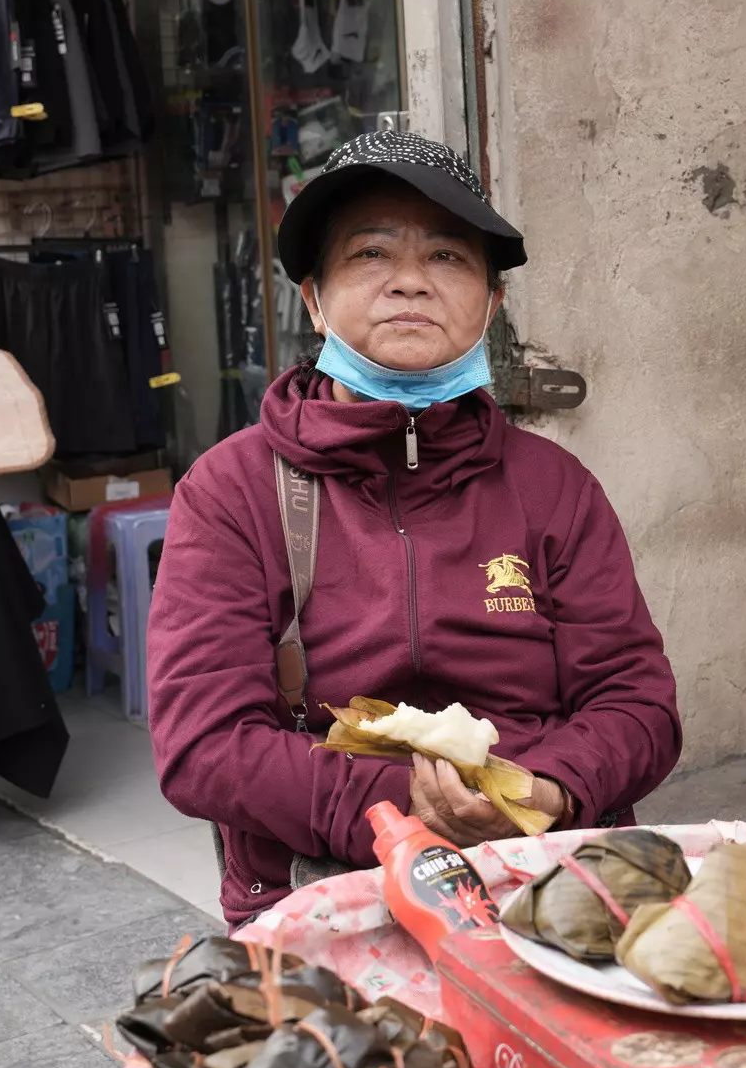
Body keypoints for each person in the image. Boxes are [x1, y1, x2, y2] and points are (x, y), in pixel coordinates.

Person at [146, 130, 682, 929]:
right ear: (314, 300)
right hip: (326, 887)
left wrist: (542, 788)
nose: (409, 280)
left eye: (446, 256)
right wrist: (405, 807)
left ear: (491, 304)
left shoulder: (554, 488)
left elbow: (637, 703)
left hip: (545, 867)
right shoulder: (231, 491)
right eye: (370, 253)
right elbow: (205, 746)